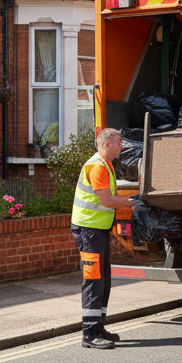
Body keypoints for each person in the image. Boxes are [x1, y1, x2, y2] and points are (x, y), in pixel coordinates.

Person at [72, 127, 140, 349]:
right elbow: (107, 201)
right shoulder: (97, 166)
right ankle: (89, 335)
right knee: (93, 280)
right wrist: (132, 202)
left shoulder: (106, 165)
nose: (122, 146)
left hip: (97, 230)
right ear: (108, 143)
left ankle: (98, 327)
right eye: (119, 142)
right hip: (89, 231)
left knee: (103, 280)